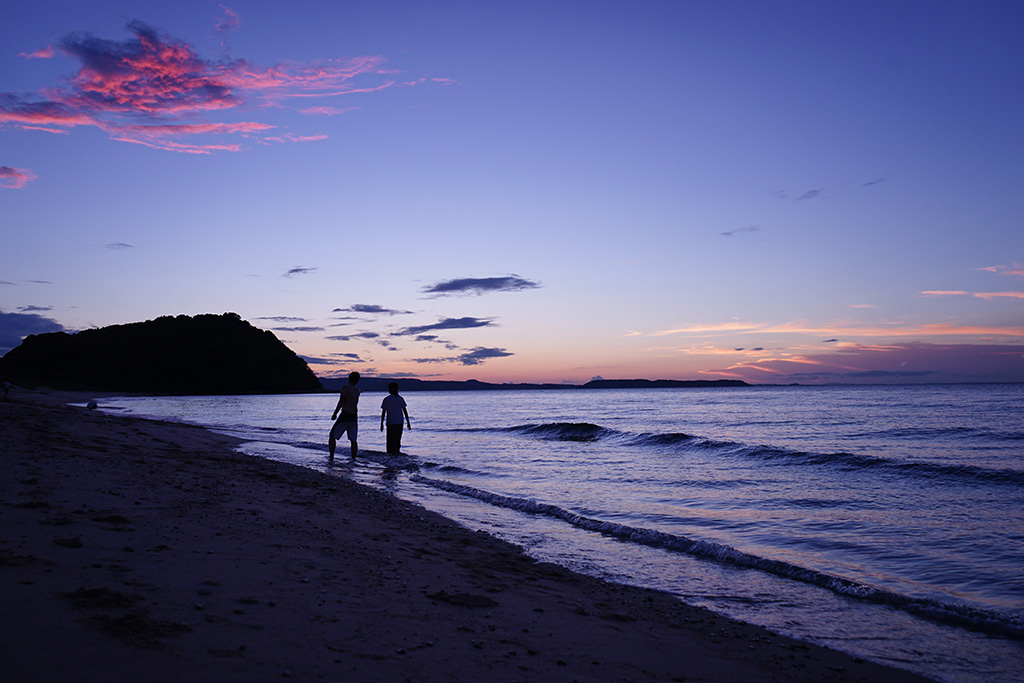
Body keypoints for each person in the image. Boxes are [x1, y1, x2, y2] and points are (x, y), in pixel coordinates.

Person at [329, 371, 361, 461]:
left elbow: (341, 401)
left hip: (345, 414)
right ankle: (353, 458)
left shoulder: (345, 388)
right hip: (354, 416)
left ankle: (331, 457)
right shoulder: (357, 390)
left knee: (332, 435)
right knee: (353, 439)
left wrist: (335, 413)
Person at [380, 381, 411, 455]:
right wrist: (408, 422)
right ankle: (396, 452)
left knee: (390, 440)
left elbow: (383, 412)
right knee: (397, 439)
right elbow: (405, 411)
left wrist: (381, 423)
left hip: (391, 422)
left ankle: (391, 454)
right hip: (399, 422)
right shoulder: (400, 399)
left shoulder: (387, 399)